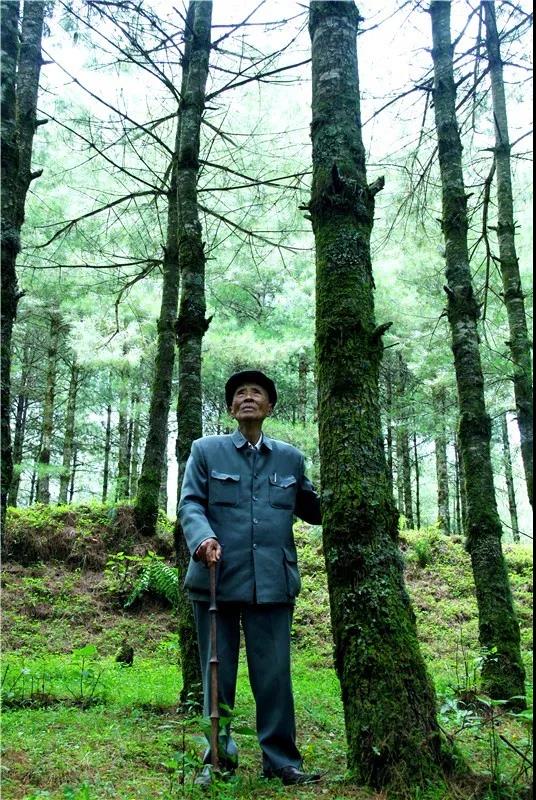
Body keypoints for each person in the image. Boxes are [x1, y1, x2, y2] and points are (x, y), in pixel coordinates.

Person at [178, 369, 323, 787]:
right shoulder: (206, 451)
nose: (247, 397)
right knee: (216, 675)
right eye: (239, 393)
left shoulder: (291, 459)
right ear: (230, 408)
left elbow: (312, 509)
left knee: (274, 675)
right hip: (216, 580)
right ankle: (217, 758)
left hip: (272, 583)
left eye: (256, 392)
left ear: (269, 406)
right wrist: (203, 538)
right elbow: (190, 503)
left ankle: (281, 761)